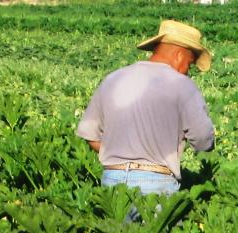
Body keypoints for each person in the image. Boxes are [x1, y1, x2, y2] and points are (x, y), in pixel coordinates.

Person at [76, 19, 216, 195]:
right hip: (156, 183)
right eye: (189, 64)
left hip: (112, 180)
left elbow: (89, 134)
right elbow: (203, 139)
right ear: (179, 55)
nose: (187, 71)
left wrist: (116, 154)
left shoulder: (112, 79)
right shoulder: (182, 84)